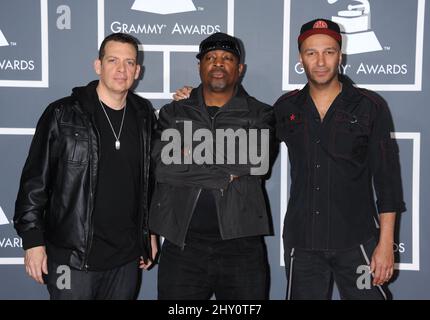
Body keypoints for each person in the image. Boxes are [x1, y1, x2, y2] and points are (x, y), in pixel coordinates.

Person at [14, 33, 158, 300]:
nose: (121, 69)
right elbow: (35, 181)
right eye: (113, 60)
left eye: (129, 63)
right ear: (98, 65)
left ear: (137, 71)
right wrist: (33, 240)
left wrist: (148, 231)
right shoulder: (63, 114)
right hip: (71, 257)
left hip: (125, 259)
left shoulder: (144, 116)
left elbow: (148, 182)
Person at [274, 19, 405, 300]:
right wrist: (197, 100)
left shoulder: (370, 106)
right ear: (301, 58)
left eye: (329, 52)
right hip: (303, 243)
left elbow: (387, 182)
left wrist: (386, 243)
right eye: (312, 53)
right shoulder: (285, 108)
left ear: (340, 56)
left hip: (357, 242)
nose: (320, 61)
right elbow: (247, 139)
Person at [150, 32, 275, 300]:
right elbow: (163, 166)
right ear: (200, 66)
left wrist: (188, 150)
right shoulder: (174, 112)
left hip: (242, 247)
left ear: (239, 69)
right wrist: (225, 172)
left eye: (227, 58)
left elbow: (257, 160)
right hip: (183, 246)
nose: (218, 63)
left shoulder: (260, 112)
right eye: (210, 57)